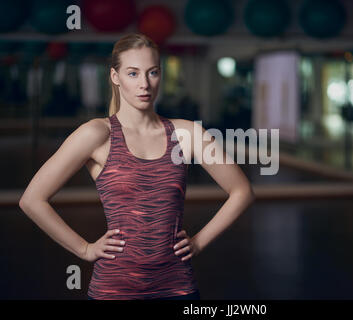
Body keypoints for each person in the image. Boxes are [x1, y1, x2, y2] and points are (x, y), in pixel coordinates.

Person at [18, 33, 255, 300]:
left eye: (152, 72)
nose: (144, 84)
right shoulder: (97, 134)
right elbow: (32, 200)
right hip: (113, 289)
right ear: (115, 77)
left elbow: (241, 191)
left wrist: (199, 242)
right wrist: (84, 249)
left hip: (177, 287)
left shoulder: (186, 133)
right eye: (133, 73)